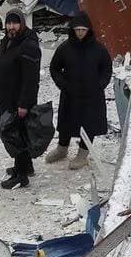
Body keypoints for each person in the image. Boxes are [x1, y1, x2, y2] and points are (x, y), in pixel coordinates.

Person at [45, 13, 112, 171]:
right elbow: (54, 68)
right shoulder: (65, 48)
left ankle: (83, 154)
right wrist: (63, 84)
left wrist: (99, 86)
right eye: (77, 30)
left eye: (83, 29)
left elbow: (107, 70)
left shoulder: (99, 49)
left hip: (92, 96)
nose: (80, 33)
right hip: (70, 94)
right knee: (66, 122)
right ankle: (62, 149)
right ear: (73, 30)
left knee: (89, 124)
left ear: (88, 30)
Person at [0, 10, 42, 190]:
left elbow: (31, 79)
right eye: (9, 23)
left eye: (15, 23)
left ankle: (21, 176)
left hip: (18, 100)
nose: (11, 26)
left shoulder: (29, 45)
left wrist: (24, 104)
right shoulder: (7, 41)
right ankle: (26, 167)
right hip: (5, 97)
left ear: (22, 24)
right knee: (16, 133)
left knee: (14, 135)